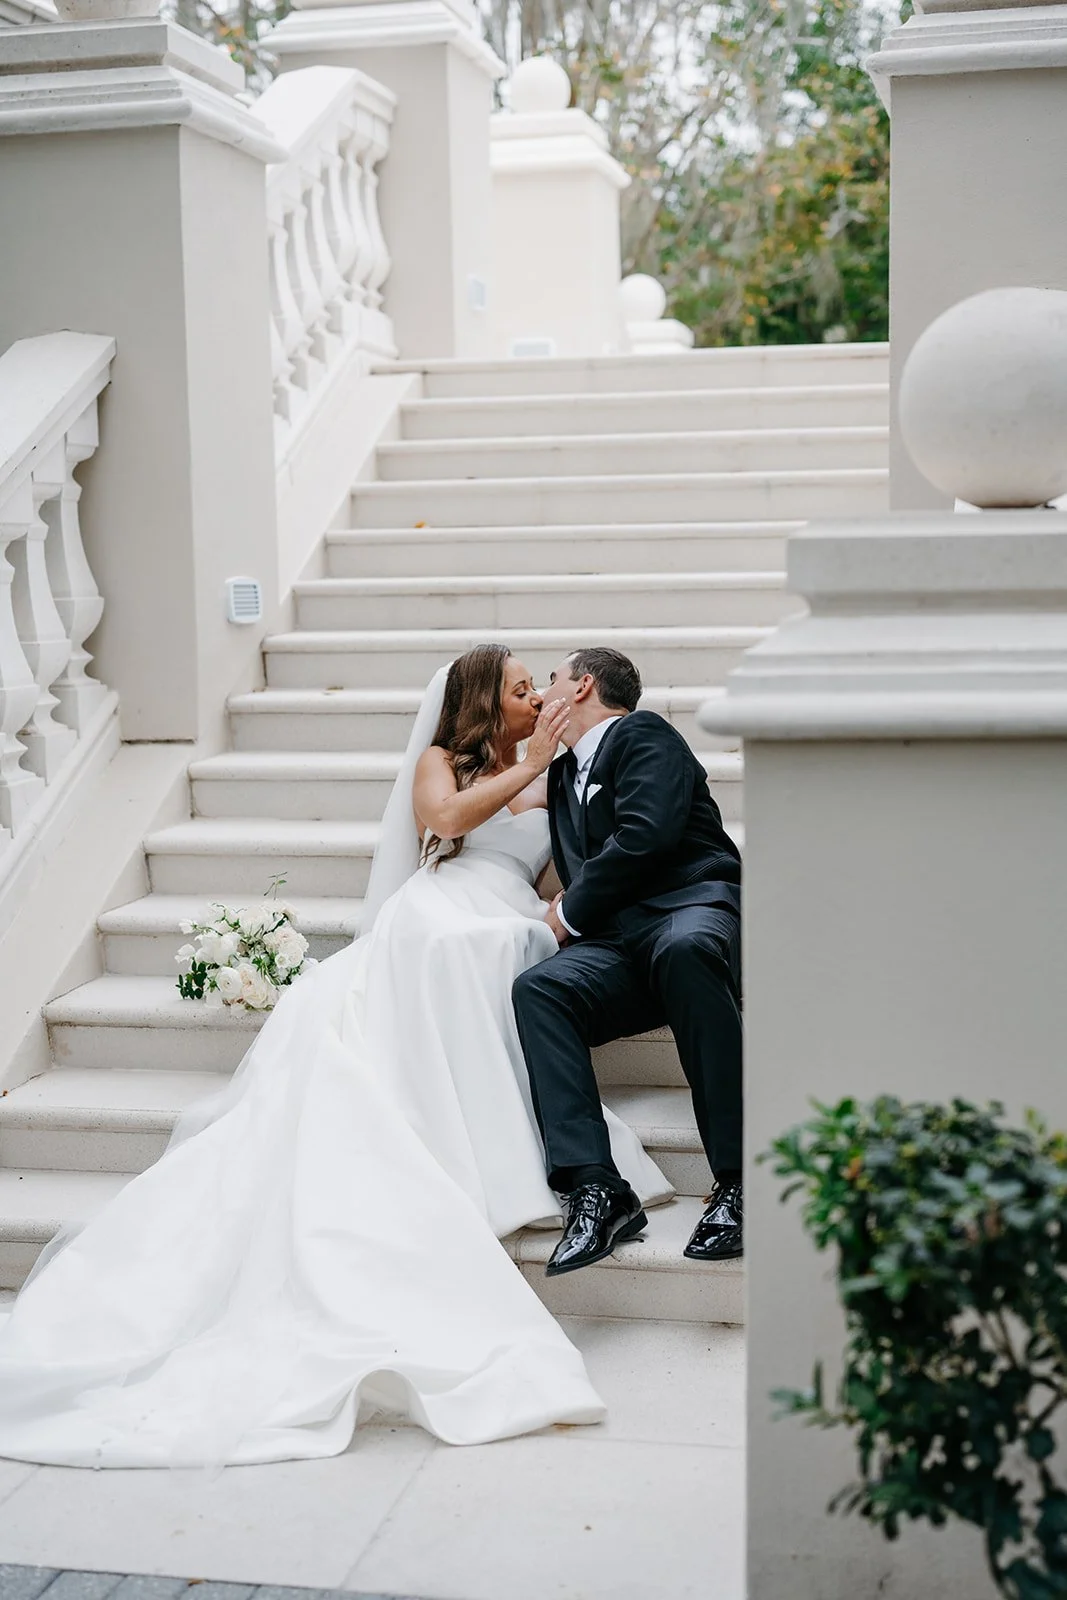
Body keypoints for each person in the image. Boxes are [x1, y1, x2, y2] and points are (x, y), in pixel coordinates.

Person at [0, 645, 670, 1469]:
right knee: (444, 943)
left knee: (510, 946)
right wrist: (528, 763)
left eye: (539, 689)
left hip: (508, 913)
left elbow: (556, 877)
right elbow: (447, 824)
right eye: (520, 691)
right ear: (483, 706)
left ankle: (501, 1138)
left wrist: (564, 893)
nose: (536, 701)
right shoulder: (441, 761)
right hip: (442, 902)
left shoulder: (558, 772)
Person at [513, 647, 744, 1277]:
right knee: (541, 989)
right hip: (619, 943)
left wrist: (568, 912)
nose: (541, 695)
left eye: (551, 681)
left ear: (583, 685)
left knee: (687, 949)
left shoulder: (643, 734)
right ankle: (597, 1188)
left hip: (687, 909)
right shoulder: (562, 777)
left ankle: (739, 1180)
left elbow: (645, 835)